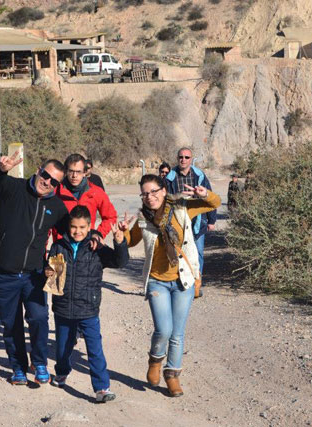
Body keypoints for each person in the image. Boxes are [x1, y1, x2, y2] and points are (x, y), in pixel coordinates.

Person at [120, 175, 221, 397]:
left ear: (164, 190)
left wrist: (205, 194)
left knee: (177, 333)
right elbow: (130, 241)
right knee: (163, 330)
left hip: (183, 279)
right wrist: (121, 233)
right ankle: (155, 360)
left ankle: (172, 375)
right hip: (157, 280)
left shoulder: (182, 207)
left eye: (154, 191)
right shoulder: (143, 219)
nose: (150, 197)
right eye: (145, 193)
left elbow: (214, 203)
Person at [0, 152, 69, 386]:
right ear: (38, 170)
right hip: (4, 274)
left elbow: (70, 233)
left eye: (54, 181)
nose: (47, 182)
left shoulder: (56, 206)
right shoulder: (12, 188)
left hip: (34, 275)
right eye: (46, 176)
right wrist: (1, 169)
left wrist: (93, 235)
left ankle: (40, 362)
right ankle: (18, 368)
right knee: (11, 324)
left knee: (39, 317)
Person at [45, 206, 128, 402]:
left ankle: (101, 388)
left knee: (94, 348)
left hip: (88, 309)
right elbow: (51, 274)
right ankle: (62, 372)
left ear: (89, 226)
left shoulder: (96, 248)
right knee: (63, 347)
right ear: (68, 226)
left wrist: (119, 241)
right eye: (74, 227)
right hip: (63, 307)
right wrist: (47, 272)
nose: (77, 231)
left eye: (82, 227)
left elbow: (120, 262)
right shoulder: (58, 246)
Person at [164, 147, 217, 298]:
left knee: (198, 252)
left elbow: (209, 197)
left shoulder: (199, 176)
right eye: (181, 157)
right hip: (177, 221)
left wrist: (211, 220)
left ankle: (196, 284)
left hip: (198, 221)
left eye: (187, 157)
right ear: (177, 158)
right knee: (179, 252)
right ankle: (181, 281)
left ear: (191, 159)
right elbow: (164, 199)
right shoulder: (170, 177)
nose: (183, 160)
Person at [54, 154, 116, 240]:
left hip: (87, 246)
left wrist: (98, 235)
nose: (74, 176)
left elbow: (110, 217)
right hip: (62, 246)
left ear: (84, 173)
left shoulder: (96, 192)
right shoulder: (55, 192)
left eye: (78, 172)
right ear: (65, 172)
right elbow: (45, 223)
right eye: (71, 171)